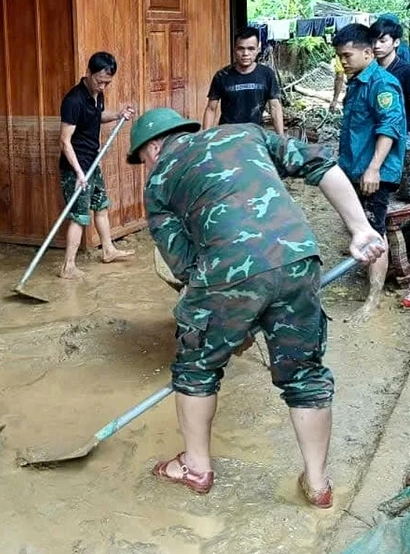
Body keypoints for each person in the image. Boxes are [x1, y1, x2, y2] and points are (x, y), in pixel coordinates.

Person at [126, 107, 384, 509]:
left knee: (196, 367)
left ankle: (196, 467)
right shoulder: (246, 133)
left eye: (141, 159)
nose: (145, 166)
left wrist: (227, 324)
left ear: (154, 147)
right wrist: (361, 228)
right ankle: (317, 483)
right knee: (304, 374)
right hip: (298, 257)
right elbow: (321, 163)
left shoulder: (158, 180)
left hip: (228, 269)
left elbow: (186, 268)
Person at [332, 24, 407, 323]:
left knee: (373, 233)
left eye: (347, 55)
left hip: (374, 173)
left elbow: (389, 128)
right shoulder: (356, 82)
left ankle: (373, 300)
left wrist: (374, 168)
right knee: (360, 228)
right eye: (340, 56)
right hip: (355, 168)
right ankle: (369, 280)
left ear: (367, 52)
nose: (343, 61)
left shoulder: (382, 84)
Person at [58, 51, 136, 279]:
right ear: (88, 73)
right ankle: (68, 266)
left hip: (92, 161)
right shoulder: (73, 100)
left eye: (107, 82)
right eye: (99, 81)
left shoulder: (96, 94)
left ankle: (108, 250)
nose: (102, 86)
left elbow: (97, 116)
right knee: (80, 215)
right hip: (76, 168)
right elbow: (64, 141)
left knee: (100, 206)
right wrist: (79, 174)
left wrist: (118, 114)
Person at [203, 26, 284, 136]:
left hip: (256, 134)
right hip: (227, 135)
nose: (245, 53)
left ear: (258, 49)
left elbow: (275, 107)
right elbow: (211, 109)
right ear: (235, 49)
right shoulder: (222, 75)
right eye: (241, 48)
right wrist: (204, 138)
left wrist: (281, 137)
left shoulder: (267, 74)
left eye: (251, 48)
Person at [371, 17, 410, 124]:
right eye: (373, 41)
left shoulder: (409, 71)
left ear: (396, 42)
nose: (376, 46)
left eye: (382, 41)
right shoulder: (369, 70)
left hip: (399, 130)